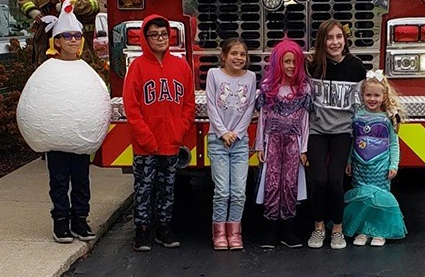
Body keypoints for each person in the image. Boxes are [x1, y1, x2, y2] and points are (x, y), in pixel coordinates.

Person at [122, 14, 195, 252]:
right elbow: (131, 107)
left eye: (164, 34)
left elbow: (188, 103)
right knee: (143, 188)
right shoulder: (137, 67)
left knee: (168, 188)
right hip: (145, 144)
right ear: (146, 38)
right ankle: (142, 230)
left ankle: (163, 228)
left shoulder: (181, 66)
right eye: (154, 35)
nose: (160, 38)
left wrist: (181, 129)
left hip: (171, 142)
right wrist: (145, 137)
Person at [305, 20, 367, 250]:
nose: (335, 42)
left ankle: (337, 230)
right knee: (318, 179)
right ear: (322, 42)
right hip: (317, 130)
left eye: (339, 37)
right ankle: (318, 227)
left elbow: (365, 100)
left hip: (343, 131)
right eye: (329, 38)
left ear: (345, 40)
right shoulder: (312, 66)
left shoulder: (356, 67)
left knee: (336, 181)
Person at [40, 0, 97, 244]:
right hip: (57, 139)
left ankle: (80, 220)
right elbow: (39, 101)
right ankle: (61, 221)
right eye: (67, 36)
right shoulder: (48, 69)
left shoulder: (86, 69)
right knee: (59, 181)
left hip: (80, 136)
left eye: (76, 36)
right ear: (57, 42)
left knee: (82, 180)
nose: (73, 40)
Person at [254, 39, 311, 249]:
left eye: (295, 62)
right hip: (273, 141)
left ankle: (289, 230)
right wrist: (260, 145)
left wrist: (304, 148)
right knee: (271, 183)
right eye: (286, 61)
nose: (290, 66)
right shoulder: (268, 89)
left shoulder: (303, 90)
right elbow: (262, 119)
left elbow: (306, 121)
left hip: (294, 143)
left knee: (290, 183)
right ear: (278, 63)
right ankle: (270, 231)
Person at [343, 70, 407, 247]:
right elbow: (353, 141)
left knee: (380, 199)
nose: (372, 99)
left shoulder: (388, 118)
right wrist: (349, 161)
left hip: (380, 166)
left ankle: (379, 231)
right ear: (362, 95)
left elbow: (394, 144)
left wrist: (393, 164)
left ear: (384, 96)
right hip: (360, 165)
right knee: (362, 199)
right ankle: (363, 230)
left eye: (376, 95)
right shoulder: (357, 116)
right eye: (368, 95)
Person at [205, 38, 256, 250]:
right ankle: (219, 233)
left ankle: (235, 233)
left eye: (242, 54)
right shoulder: (213, 75)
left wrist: (237, 133)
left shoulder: (251, 77)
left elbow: (250, 106)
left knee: (238, 191)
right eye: (234, 53)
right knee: (222, 190)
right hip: (218, 140)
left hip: (240, 141)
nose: (238, 58)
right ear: (223, 56)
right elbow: (210, 104)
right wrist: (223, 132)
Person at [18, 0, 101, 67]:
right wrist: (33, 11)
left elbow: (95, 6)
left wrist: (66, 5)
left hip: (76, 60)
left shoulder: (78, 0)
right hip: (47, 59)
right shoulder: (46, 0)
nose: (52, 1)